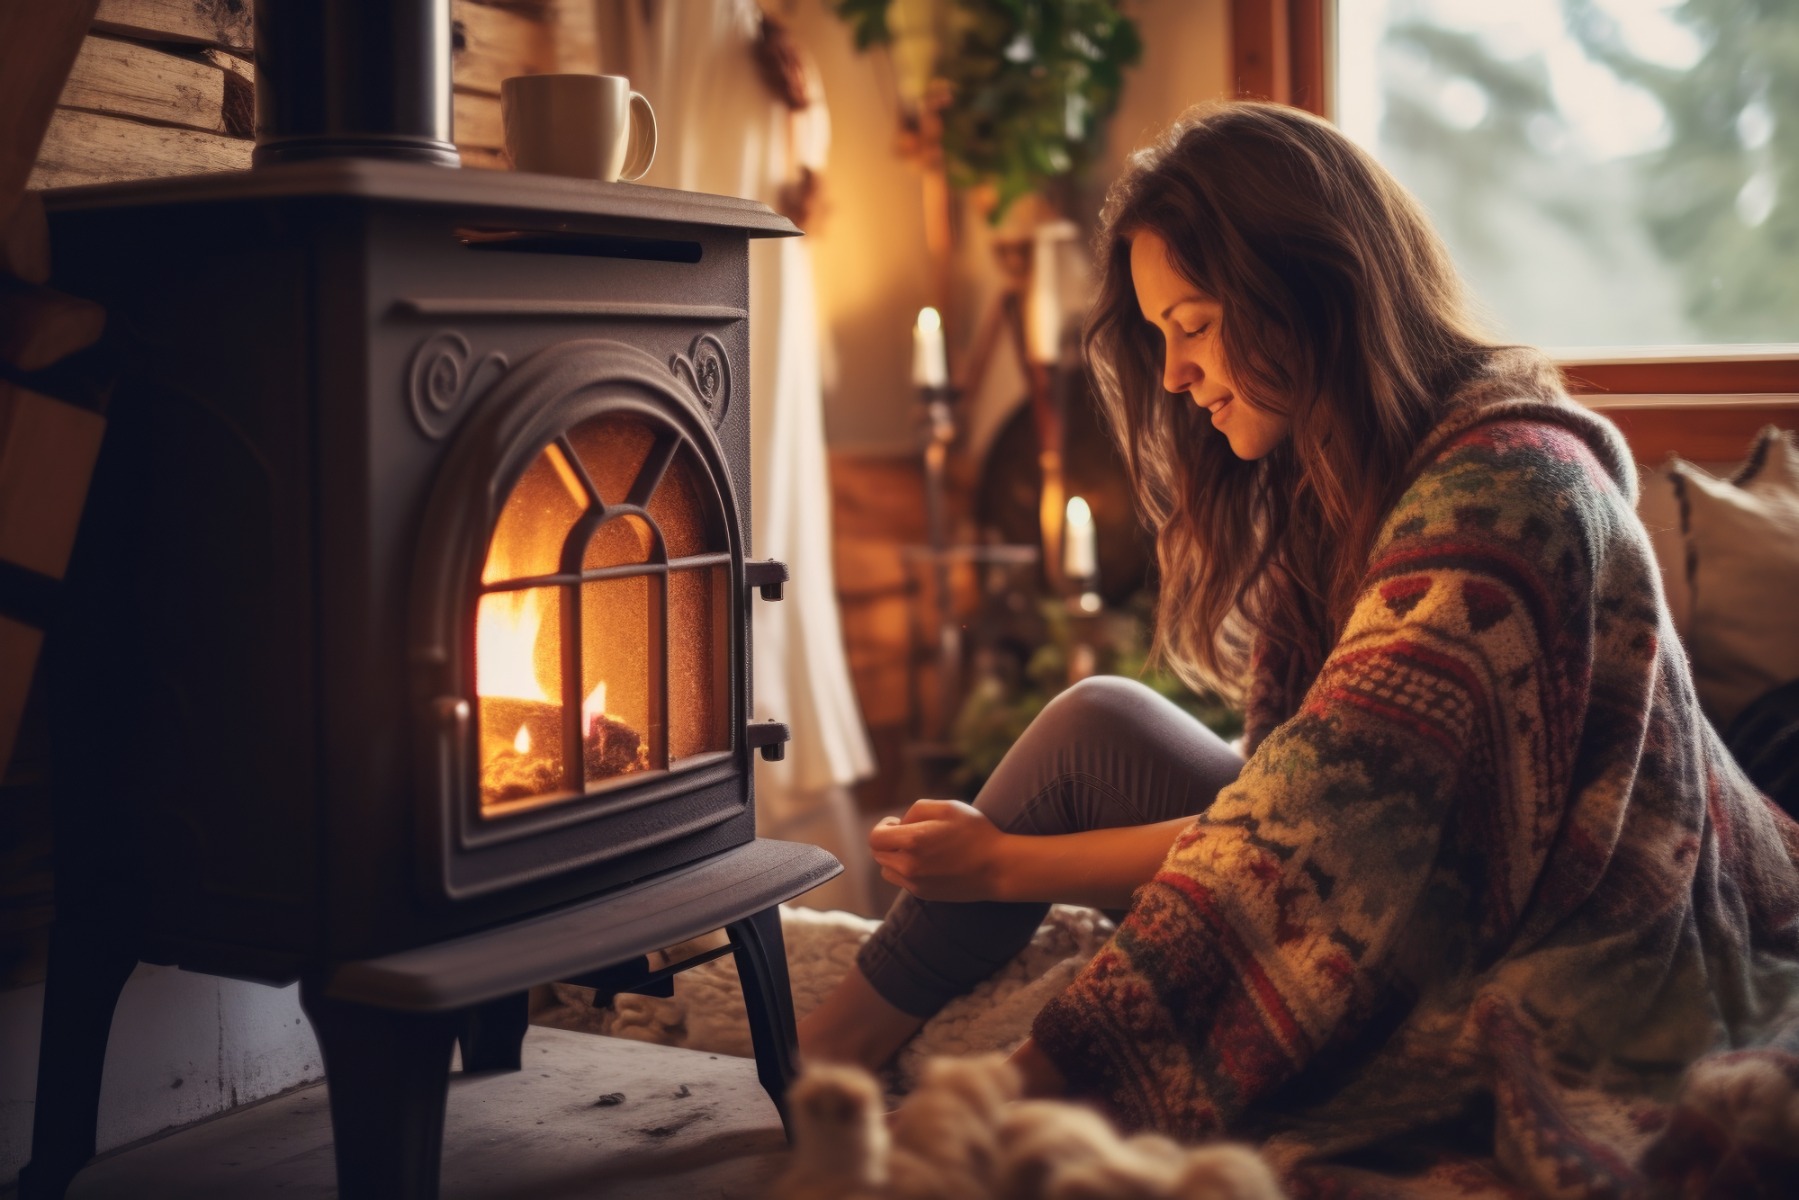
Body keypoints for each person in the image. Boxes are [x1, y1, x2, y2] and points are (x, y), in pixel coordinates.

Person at [798, 101, 1799, 1193]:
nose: (1173, 375)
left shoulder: (1505, 497)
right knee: (1096, 721)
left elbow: (1314, 845)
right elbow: (1296, 794)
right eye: (1158, 337)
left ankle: (876, 1093)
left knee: (1260, 948)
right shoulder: (1345, 478)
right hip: (1401, 867)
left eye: (1190, 323)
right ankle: (816, 1068)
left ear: (1304, 292)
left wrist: (1008, 927)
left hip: (1565, 926)